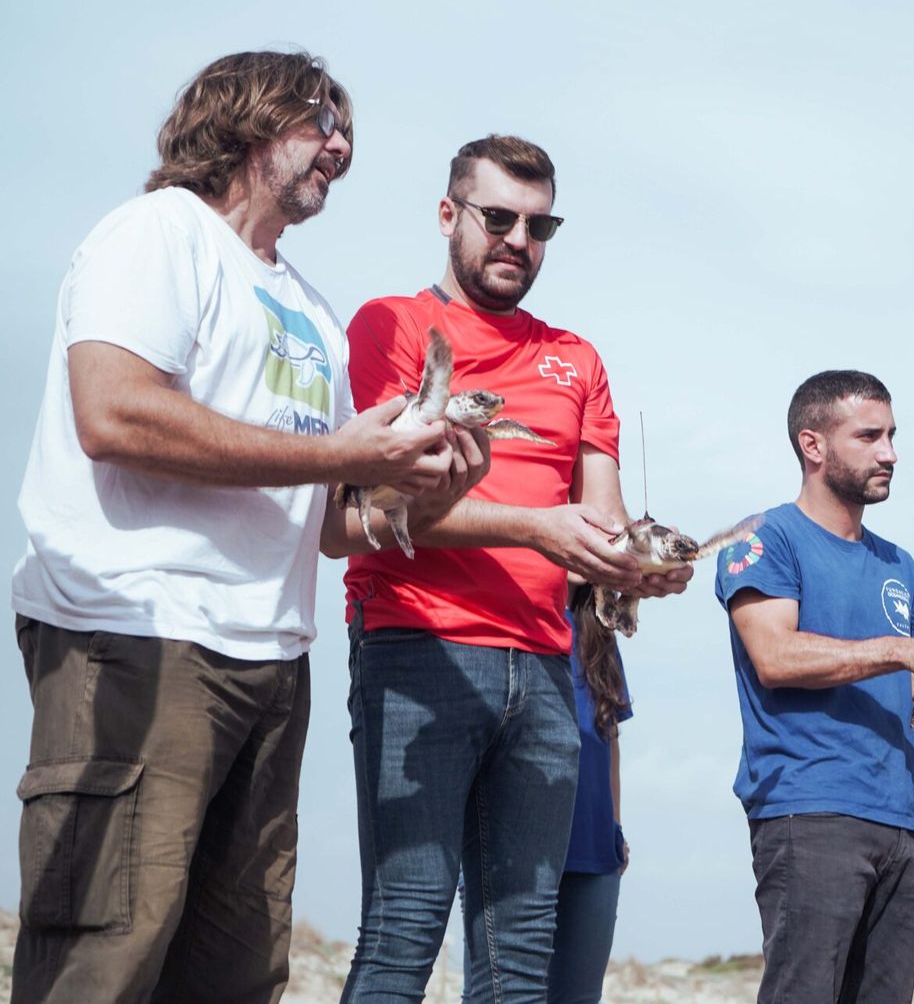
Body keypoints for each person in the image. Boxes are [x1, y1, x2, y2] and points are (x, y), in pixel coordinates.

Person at [9, 51, 460, 1004]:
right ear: (246, 123)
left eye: (346, 133)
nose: (340, 146)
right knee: (109, 952)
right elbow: (116, 416)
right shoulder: (156, 235)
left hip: (271, 660)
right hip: (137, 634)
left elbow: (331, 524)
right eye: (319, 122)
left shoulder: (309, 307)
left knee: (236, 970)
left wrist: (419, 484)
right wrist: (346, 456)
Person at [338, 134, 689, 1002]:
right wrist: (536, 529)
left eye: (539, 225)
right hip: (416, 646)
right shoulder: (390, 323)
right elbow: (370, 511)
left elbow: (599, 519)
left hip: (544, 671)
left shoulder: (579, 357)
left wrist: (637, 564)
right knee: (403, 928)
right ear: (449, 215)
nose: (517, 241)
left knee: (520, 955)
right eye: (498, 218)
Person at [714, 369, 914, 1004]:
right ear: (813, 445)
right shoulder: (762, 536)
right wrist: (905, 649)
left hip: (903, 820)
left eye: (892, 435)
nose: (890, 452)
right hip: (809, 809)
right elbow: (776, 656)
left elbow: (884, 677)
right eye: (869, 436)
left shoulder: (900, 563)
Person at [545, 599, 633, 1004]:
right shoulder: (515, 617)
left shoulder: (600, 634)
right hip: (521, 850)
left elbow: (609, 734)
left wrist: (614, 825)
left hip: (596, 850)